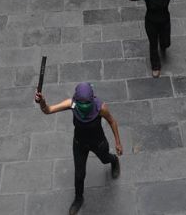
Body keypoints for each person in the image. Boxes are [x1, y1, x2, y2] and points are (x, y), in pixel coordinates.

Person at [35, 82, 123, 215]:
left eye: (87, 102)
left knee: (105, 159)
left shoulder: (100, 107)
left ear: (92, 98)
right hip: (79, 143)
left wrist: (118, 143)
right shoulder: (72, 104)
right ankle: (78, 198)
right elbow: (48, 110)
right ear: (76, 99)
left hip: (98, 141)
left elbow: (112, 121)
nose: (84, 105)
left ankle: (114, 160)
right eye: (81, 103)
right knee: (79, 174)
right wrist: (42, 101)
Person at [128, 0, 186, 78]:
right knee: (153, 44)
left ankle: (164, 45)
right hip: (151, 22)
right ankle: (156, 67)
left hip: (164, 21)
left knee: (166, 43)